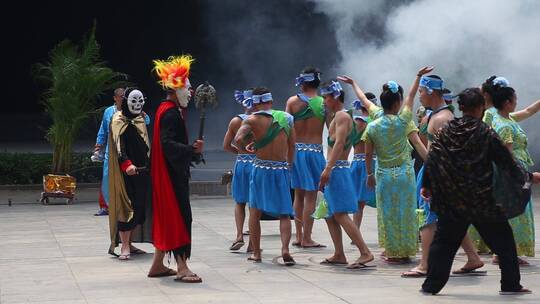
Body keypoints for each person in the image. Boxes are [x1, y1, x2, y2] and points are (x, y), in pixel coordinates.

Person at [420, 87, 540, 295]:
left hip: (453, 200)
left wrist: (427, 185)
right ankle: (510, 285)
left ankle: (431, 286)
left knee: (443, 245)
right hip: (481, 200)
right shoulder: (485, 132)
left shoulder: (446, 131)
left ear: (462, 108)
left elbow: (433, 159)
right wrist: (529, 177)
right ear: (481, 107)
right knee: (504, 244)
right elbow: (507, 162)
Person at [339, 73, 427, 264]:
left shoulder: (373, 124)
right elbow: (412, 98)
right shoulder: (404, 120)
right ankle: (406, 250)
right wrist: (418, 77)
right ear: (398, 103)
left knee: (388, 212)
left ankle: (392, 251)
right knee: (406, 211)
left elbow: (368, 154)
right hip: (405, 173)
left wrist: (354, 83)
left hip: (384, 175)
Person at [403, 71, 483, 277]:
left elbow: (445, 155)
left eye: (421, 91)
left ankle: (425, 264)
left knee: (428, 219)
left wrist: (414, 139)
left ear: (431, 92)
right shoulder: (433, 115)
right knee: (450, 218)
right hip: (434, 172)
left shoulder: (443, 119)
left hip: (437, 175)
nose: (419, 95)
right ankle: (473, 257)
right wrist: (415, 137)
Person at [148, 55, 204, 283]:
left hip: (167, 174)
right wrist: (191, 150)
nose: (190, 92)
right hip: (172, 177)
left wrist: (192, 151)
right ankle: (182, 267)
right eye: (188, 87)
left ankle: (158, 265)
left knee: (169, 218)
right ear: (177, 87)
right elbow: (168, 145)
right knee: (181, 217)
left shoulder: (165, 108)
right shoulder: (171, 113)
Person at [234, 87, 296, 265]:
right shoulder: (286, 118)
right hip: (281, 168)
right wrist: (289, 166)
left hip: (261, 168)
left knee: (255, 211)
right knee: (284, 213)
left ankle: (256, 253)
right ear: (270, 101)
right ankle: (285, 249)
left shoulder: (252, 120)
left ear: (255, 103)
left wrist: (251, 144)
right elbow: (293, 146)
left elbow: (238, 139)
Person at [318, 80, 374, 268]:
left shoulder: (342, 116)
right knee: (329, 214)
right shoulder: (338, 116)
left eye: (325, 97)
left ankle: (365, 252)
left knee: (340, 214)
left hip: (338, 170)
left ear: (334, 97)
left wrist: (327, 169)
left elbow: (340, 143)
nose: (323, 101)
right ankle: (339, 253)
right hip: (336, 168)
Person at [490, 82, 538, 264]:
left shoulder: (504, 118)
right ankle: (505, 253)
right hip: (514, 173)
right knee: (515, 212)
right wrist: (522, 177)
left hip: (517, 169)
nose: (517, 102)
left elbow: (528, 112)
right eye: (515, 99)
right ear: (507, 102)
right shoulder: (504, 126)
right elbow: (507, 157)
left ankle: (503, 252)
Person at [107, 87, 152, 260]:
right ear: (125, 100)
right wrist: (127, 164)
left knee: (140, 206)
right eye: (134, 101)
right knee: (127, 207)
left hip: (142, 170)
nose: (137, 104)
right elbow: (119, 146)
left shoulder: (140, 119)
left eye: (140, 101)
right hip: (125, 173)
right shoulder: (118, 119)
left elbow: (146, 144)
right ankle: (124, 245)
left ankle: (130, 243)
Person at [286, 67, 326, 248]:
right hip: (315, 152)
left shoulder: (292, 102)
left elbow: (286, 130)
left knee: (298, 195)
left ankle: (299, 236)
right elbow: (333, 132)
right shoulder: (324, 103)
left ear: (303, 83)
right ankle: (307, 238)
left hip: (297, 151)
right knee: (311, 196)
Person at [94, 88, 150, 216]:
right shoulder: (109, 112)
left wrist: (143, 115)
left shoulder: (135, 110)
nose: (121, 98)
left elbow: (146, 123)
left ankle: (127, 204)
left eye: (123, 96)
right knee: (108, 176)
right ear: (115, 98)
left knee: (129, 177)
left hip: (130, 151)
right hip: (112, 149)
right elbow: (103, 130)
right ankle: (107, 206)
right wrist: (98, 146)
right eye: (119, 96)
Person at [223, 89, 255, 251]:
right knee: (254, 204)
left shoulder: (235, 121)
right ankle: (253, 243)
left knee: (239, 202)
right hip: (257, 163)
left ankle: (239, 235)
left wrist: (240, 152)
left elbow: (226, 146)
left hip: (242, 163)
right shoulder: (263, 120)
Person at [349, 94, 377, 231]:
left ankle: (356, 232)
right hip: (374, 162)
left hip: (357, 162)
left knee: (358, 202)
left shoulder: (355, 122)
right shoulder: (377, 121)